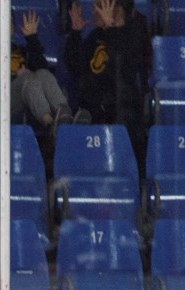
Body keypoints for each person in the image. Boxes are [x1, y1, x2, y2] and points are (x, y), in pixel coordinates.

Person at [0, 2, 85, 131]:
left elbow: (42, 67)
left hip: (24, 100)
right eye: (1, 21)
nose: (7, 24)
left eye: (9, 20)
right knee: (27, 79)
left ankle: (64, 117)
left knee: (43, 74)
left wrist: (31, 38)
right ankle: (51, 125)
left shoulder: (20, 50)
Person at [65, 0, 152, 166]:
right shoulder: (95, 37)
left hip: (123, 111)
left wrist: (111, 29)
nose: (94, 10)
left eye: (99, 6)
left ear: (114, 9)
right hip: (93, 106)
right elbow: (75, 66)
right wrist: (75, 33)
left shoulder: (133, 33)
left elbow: (126, 68)